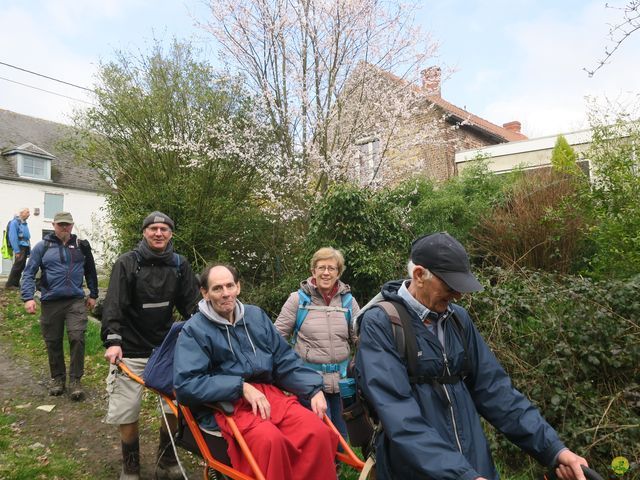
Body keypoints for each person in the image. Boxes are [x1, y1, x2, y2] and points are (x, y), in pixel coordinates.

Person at [355, 232, 590, 480]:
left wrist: (555, 449)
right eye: (450, 286)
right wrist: (461, 475)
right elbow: (400, 417)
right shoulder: (380, 323)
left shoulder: (458, 319)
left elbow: (496, 391)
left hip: (474, 465)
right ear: (419, 275)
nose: (458, 295)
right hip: (414, 471)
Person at [173, 264, 339, 480]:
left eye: (229, 286)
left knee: (316, 432)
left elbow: (283, 360)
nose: (225, 294)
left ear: (238, 287)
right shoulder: (194, 330)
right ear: (205, 293)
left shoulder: (256, 317)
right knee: (270, 441)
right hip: (226, 404)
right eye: (217, 288)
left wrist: (313, 388)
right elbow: (186, 385)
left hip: (269, 396)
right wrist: (239, 387)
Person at [101, 211, 200, 480]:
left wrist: (207, 333)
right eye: (153, 228)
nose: (159, 233)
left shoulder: (180, 265)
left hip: (165, 349)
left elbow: (192, 305)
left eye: (164, 229)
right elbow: (113, 305)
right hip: (130, 350)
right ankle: (130, 466)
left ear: (171, 234)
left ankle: (165, 462)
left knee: (175, 407)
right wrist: (113, 341)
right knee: (126, 410)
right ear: (144, 232)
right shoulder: (127, 263)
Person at [274, 247, 359, 441]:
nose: (326, 273)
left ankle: (336, 470)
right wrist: (288, 372)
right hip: (309, 383)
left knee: (341, 438)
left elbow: (360, 339)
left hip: (342, 382)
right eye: (321, 267)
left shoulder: (348, 302)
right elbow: (276, 339)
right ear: (313, 271)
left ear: (338, 272)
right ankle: (316, 470)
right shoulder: (298, 300)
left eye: (331, 268)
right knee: (319, 436)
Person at [20, 211, 98, 401]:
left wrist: (93, 294)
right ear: (54, 225)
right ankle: (57, 379)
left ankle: (75, 381)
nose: (64, 228)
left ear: (72, 226)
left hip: (75, 301)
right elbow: (29, 273)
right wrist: (28, 297)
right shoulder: (43, 246)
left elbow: (91, 270)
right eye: (61, 224)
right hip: (50, 302)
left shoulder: (81, 247)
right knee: (53, 341)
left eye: (67, 225)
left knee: (77, 338)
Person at [5, 207, 31, 289]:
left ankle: (15, 284)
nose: (29, 214)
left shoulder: (23, 223)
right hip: (20, 247)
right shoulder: (15, 222)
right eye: (27, 212)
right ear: (21, 213)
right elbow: (13, 237)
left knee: (21, 266)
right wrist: (16, 250)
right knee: (17, 265)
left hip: (24, 246)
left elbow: (26, 237)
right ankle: (9, 284)